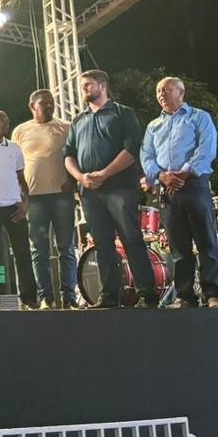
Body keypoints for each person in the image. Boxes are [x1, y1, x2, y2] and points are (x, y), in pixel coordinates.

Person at [64, 70, 154, 309]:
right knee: (102, 243)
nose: (83, 89)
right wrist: (81, 177)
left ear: (103, 85)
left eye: (88, 85)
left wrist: (104, 174)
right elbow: (68, 155)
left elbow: (132, 149)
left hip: (120, 187)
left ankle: (147, 294)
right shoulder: (78, 120)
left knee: (130, 238)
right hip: (90, 192)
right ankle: (109, 296)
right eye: (82, 85)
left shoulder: (123, 113)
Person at [140, 77, 218, 308]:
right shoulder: (153, 126)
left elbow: (206, 149)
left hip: (194, 184)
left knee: (206, 241)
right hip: (167, 190)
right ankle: (185, 296)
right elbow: (146, 156)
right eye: (158, 91)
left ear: (181, 92)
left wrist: (183, 174)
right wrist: (161, 176)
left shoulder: (199, 117)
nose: (161, 94)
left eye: (166, 90)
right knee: (178, 247)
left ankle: (214, 294)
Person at [12, 90, 78, 309]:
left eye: (52, 103)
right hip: (33, 198)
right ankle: (45, 298)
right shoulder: (20, 131)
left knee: (66, 248)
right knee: (39, 250)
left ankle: (69, 297)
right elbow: (14, 164)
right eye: (44, 103)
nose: (49, 106)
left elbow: (75, 156)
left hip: (62, 196)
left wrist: (72, 181)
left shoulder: (66, 127)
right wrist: (20, 193)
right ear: (32, 106)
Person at [0, 110, 37, 308]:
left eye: (6, 121)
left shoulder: (14, 147)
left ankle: (29, 297)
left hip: (14, 207)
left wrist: (25, 203)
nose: (5, 124)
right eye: (0, 121)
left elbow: (21, 178)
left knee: (23, 252)